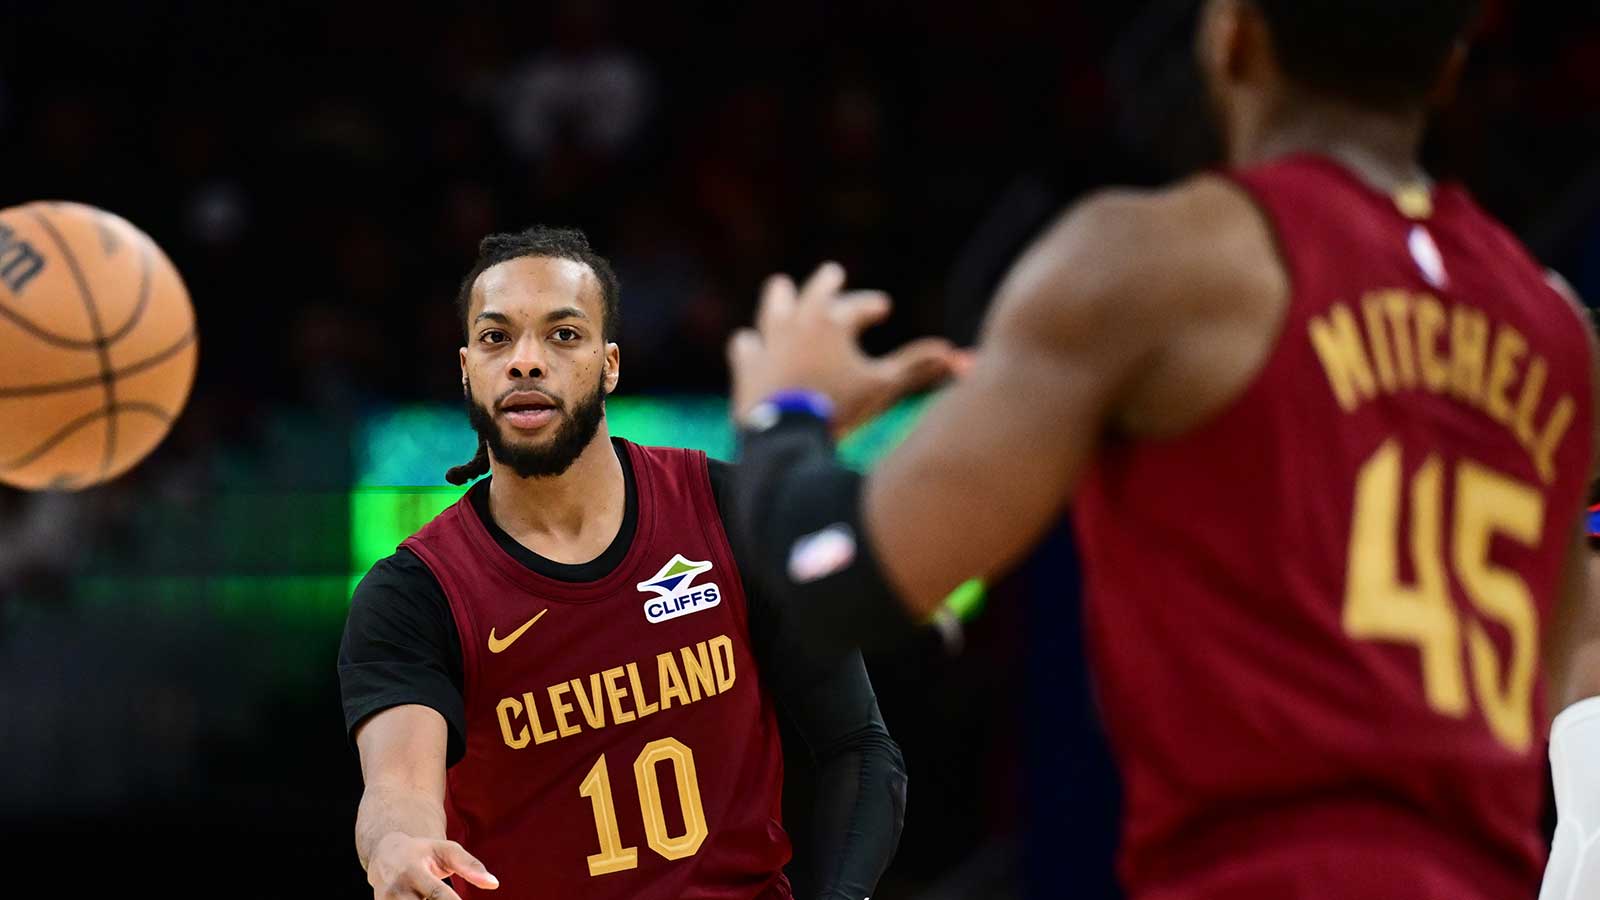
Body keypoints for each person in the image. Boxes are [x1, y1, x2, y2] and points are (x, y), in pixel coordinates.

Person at [721, 1, 1600, 898]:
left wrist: (785, 414)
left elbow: (833, 580)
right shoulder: (1557, 328)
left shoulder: (1161, 261)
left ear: (1231, 36)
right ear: (1450, 69)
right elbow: (1552, 684)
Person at [337, 227, 933, 900]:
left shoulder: (728, 513)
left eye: (563, 334)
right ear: (467, 368)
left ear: (611, 364)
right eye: (497, 337)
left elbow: (858, 748)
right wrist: (395, 843)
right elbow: (398, 789)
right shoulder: (416, 592)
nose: (525, 360)